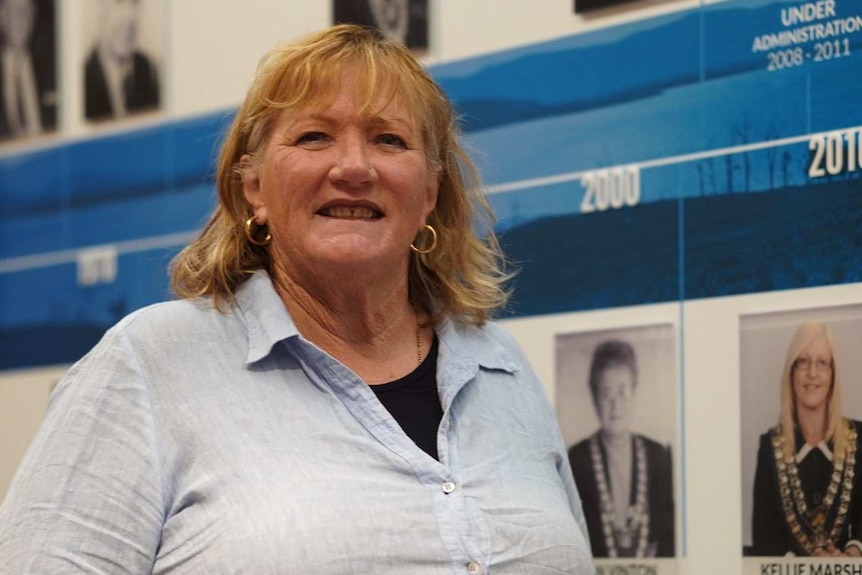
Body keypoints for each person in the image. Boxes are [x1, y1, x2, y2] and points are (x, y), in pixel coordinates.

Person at [0, 24, 594, 573]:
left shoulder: (498, 364)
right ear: (253, 185)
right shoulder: (149, 363)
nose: (354, 167)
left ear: (431, 192)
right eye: (314, 137)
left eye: (389, 140)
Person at [750, 321, 862, 557]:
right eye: (803, 362)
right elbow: (764, 540)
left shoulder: (858, 438)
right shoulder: (770, 446)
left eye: (822, 363)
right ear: (791, 372)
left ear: (833, 374)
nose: (812, 373)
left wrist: (852, 553)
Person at [568, 339, 675, 558]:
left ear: (634, 392)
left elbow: (668, 535)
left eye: (623, 391)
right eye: (606, 394)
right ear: (594, 398)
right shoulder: (577, 460)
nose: (615, 404)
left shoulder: (657, 456)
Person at [84, 0, 159, 121]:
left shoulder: (148, 70)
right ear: (99, 8)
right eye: (118, 2)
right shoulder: (81, 77)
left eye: (135, 3)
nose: (129, 17)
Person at [0, 0, 56, 140]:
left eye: (25, 12)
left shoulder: (49, 63)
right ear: (1, 17)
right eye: (13, 12)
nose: (20, 21)